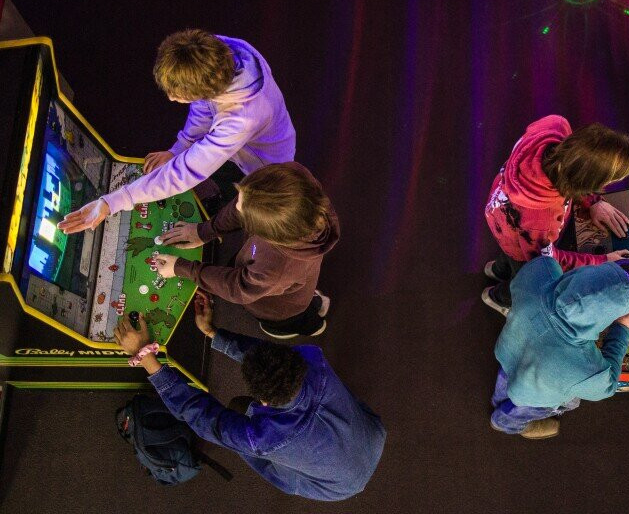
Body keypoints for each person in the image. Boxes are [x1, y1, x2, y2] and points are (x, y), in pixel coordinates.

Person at [113, 291, 386, 500]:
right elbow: (266, 355)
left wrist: (145, 356)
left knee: (239, 414)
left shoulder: (262, 439)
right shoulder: (312, 360)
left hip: (340, 487)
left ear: (264, 403)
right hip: (373, 434)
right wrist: (213, 333)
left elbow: (203, 417)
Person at [58, 29, 295, 235]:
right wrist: (179, 149)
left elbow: (186, 171)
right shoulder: (218, 52)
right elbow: (204, 107)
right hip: (239, 143)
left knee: (241, 214)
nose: (172, 98)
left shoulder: (242, 118)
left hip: (261, 166)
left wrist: (114, 201)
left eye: (177, 95)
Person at [153, 162, 338, 339]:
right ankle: (310, 299)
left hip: (279, 310)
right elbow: (242, 205)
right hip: (285, 280)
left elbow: (239, 287)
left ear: (270, 235)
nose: (237, 205)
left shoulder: (277, 266)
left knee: (294, 319)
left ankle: (312, 324)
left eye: (245, 213)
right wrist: (204, 232)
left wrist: (182, 268)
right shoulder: (296, 179)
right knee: (299, 290)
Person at [482, 115, 629, 315]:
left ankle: (495, 270)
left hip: (502, 217)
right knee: (523, 279)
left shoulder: (556, 125)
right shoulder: (540, 221)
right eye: (604, 183)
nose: (605, 187)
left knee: (510, 254)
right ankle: (497, 298)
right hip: (522, 239)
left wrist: (593, 201)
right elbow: (548, 261)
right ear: (586, 181)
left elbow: (568, 168)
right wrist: (603, 261)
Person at [490, 256, 629, 439]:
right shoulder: (584, 369)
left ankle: (498, 398)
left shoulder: (543, 269)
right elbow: (606, 387)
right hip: (534, 393)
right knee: (546, 404)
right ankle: (507, 423)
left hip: (508, 351)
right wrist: (623, 331)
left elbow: (544, 271)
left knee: (506, 378)